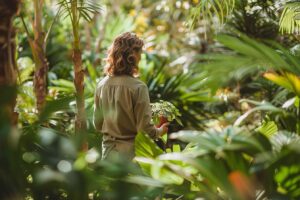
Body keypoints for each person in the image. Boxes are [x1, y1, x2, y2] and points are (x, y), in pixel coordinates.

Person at [93, 32, 169, 160]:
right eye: (140, 53)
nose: (140, 57)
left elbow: (97, 124)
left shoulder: (101, 85)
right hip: (132, 159)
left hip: (108, 156)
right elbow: (145, 130)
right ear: (133, 56)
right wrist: (160, 131)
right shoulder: (138, 87)